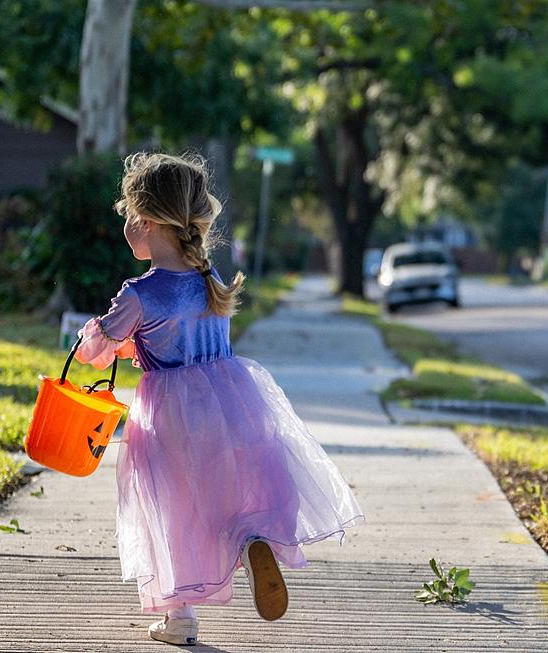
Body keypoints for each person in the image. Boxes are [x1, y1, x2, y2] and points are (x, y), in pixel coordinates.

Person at [74, 151, 365, 646]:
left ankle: (179, 617)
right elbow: (182, 336)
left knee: (171, 507)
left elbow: (96, 354)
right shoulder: (209, 281)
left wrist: (92, 337)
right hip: (230, 402)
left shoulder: (139, 293)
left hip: (167, 417)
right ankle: (253, 540)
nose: (126, 226)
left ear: (147, 223)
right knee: (229, 493)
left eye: (128, 216)